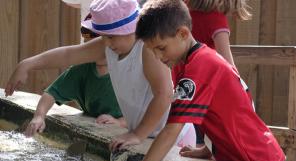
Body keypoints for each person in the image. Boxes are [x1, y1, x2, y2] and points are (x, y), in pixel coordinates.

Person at [122, 0, 286, 161]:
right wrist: (209, 148)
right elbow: (225, 111)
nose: (157, 56)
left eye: (161, 48)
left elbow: (171, 130)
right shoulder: (188, 62)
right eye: (152, 50)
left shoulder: (199, 67)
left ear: (183, 34)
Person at [6, 0, 194, 150]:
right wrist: (28, 64)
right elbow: (68, 54)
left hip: (173, 135)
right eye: (103, 35)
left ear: (132, 29)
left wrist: (137, 134)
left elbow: (164, 95)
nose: (106, 42)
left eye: (111, 36)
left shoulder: (146, 49)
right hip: (147, 133)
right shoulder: (108, 46)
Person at [24, 14, 124, 137]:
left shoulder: (128, 69)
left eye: (95, 47)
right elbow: (51, 93)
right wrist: (39, 116)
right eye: (86, 46)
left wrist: (120, 122)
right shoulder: (81, 69)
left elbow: (148, 112)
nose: (91, 53)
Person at [182, 0, 252, 154]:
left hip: (187, 87)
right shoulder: (215, 18)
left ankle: (205, 148)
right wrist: (242, 92)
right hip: (207, 88)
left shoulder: (183, 11)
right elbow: (228, 65)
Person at [185, 0, 251, 67]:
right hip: (204, 74)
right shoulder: (217, 20)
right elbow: (228, 65)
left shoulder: (183, 9)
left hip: (180, 74)